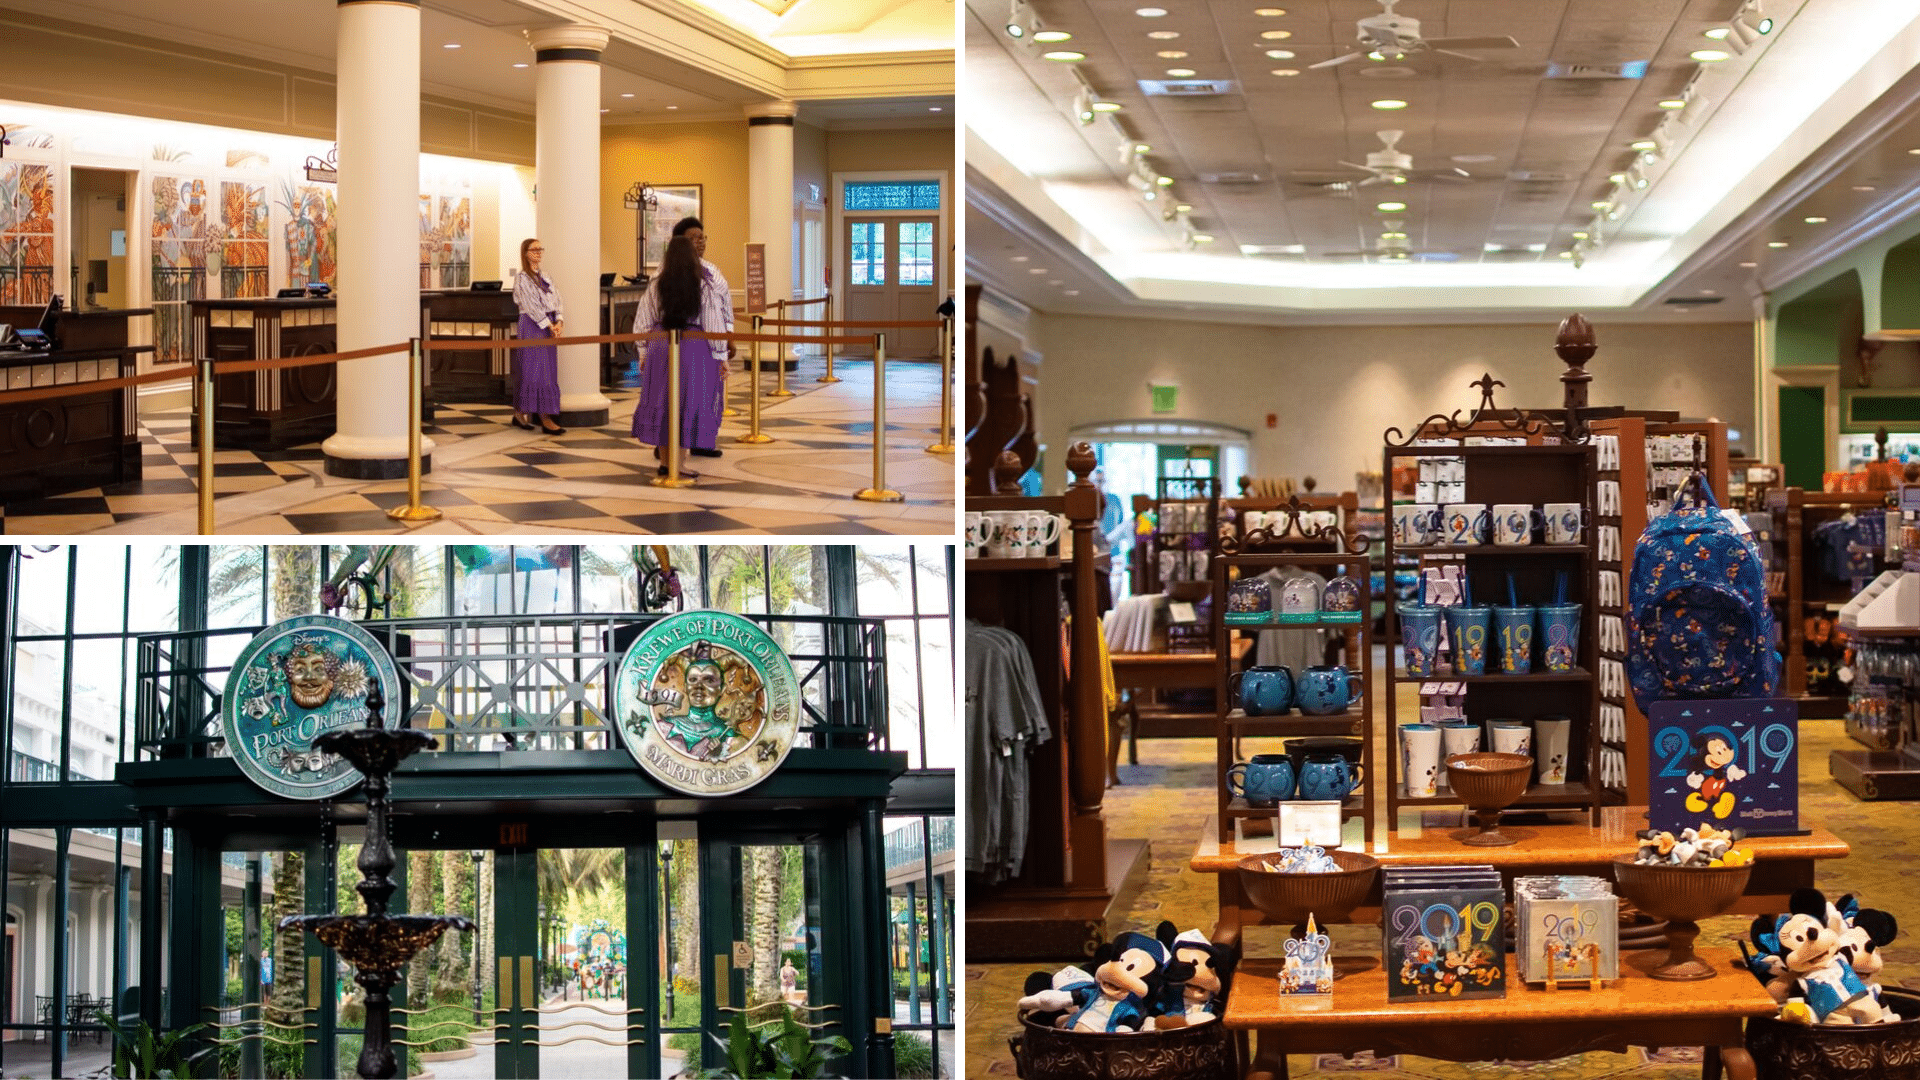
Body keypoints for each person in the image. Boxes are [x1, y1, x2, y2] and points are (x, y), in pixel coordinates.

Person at [632, 236, 729, 478]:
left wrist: (643, 350)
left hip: (659, 345)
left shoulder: (656, 283)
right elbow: (713, 322)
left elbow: (643, 319)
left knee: (663, 402)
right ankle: (680, 463)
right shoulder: (703, 284)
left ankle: (665, 462)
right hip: (693, 349)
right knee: (688, 402)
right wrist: (722, 355)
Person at [671, 217, 734, 458]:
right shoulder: (670, 272)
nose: (699, 243)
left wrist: (728, 336)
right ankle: (669, 443)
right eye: (693, 238)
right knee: (684, 394)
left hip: (713, 341)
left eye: (702, 237)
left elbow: (725, 304)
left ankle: (702, 440)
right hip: (685, 342)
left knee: (708, 392)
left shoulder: (712, 270)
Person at [509, 237, 566, 434]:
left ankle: (542, 413)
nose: (538, 252)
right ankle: (537, 415)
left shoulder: (546, 276)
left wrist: (559, 320)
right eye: (534, 249)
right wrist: (548, 324)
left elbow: (557, 298)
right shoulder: (522, 278)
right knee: (534, 370)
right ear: (525, 253)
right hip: (533, 326)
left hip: (548, 326)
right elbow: (531, 306)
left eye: (540, 249)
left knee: (548, 371)